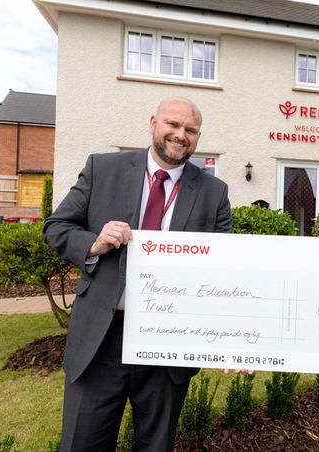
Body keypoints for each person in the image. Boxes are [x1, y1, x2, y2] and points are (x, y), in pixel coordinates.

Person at [44, 97, 232, 451]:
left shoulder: (214, 192)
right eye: (173, 124)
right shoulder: (103, 168)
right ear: (153, 123)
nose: (180, 135)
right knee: (83, 443)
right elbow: (57, 227)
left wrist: (235, 343)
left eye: (191, 130)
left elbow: (224, 271)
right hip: (102, 339)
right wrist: (93, 243)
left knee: (155, 446)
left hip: (169, 343)